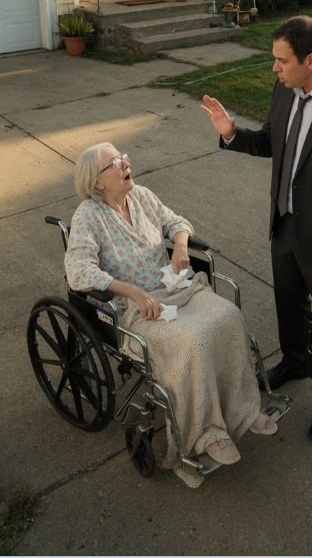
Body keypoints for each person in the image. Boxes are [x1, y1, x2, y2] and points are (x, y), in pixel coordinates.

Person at [201, 15, 312, 440]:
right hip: (283, 224)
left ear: (311, 60)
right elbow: (270, 141)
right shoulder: (285, 89)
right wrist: (232, 133)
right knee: (288, 304)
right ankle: (295, 361)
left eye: (282, 60)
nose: (275, 68)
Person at [64, 143, 277, 489]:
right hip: (139, 311)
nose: (125, 163)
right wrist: (132, 292)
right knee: (195, 339)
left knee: (229, 316)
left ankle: (242, 410)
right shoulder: (88, 216)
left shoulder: (142, 196)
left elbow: (176, 222)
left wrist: (179, 245)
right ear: (98, 182)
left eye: (123, 157)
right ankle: (205, 436)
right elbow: (78, 271)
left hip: (177, 289)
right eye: (115, 162)